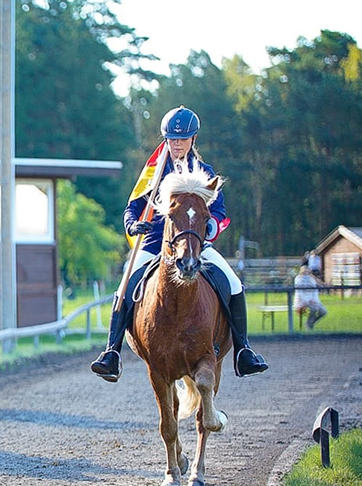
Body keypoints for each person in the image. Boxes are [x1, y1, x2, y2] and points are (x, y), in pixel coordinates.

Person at [90, 106, 268, 382]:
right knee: (123, 288)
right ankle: (112, 352)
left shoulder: (205, 173)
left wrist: (209, 227)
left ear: (193, 139)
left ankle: (243, 351)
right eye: (171, 139)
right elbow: (131, 208)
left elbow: (219, 212)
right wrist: (132, 225)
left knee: (234, 284)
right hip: (152, 244)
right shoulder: (153, 174)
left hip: (196, 244)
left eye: (181, 139)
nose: (176, 144)